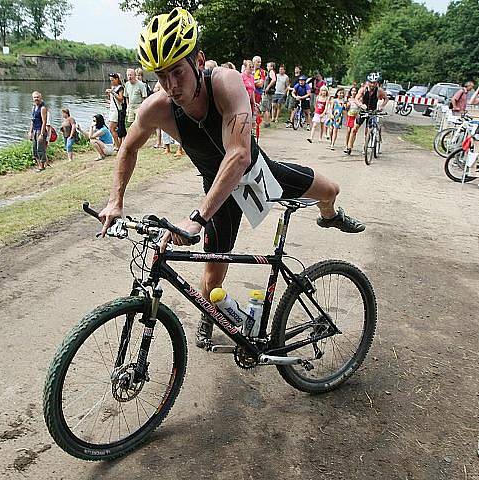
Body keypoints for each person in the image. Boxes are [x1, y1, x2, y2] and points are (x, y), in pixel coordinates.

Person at [100, 8, 366, 348]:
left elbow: (239, 155)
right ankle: (212, 320)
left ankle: (329, 217)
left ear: (198, 59)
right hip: (218, 188)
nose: (171, 85)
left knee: (331, 189)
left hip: (257, 173)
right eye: (161, 75)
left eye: (177, 72)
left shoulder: (224, 83)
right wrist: (115, 200)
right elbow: (128, 148)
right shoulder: (157, 107)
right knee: (212, 275)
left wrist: (196, 218)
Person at [345, 72, 388, 155]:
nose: (372, 84)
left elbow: (386, 99)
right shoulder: (363, 89)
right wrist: (361, 105)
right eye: (371, 82)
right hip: (363, 111)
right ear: (367, 82)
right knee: (354, 129)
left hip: (373, 112)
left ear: (377, 83)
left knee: (367, 131)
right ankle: (349, 147)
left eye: (374, 83)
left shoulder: (379, 90)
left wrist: (382, 106)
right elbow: (356, 99)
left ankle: (365, 147)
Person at [29, 91, 48, 172]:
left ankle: (42, 166)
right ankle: (39, 165)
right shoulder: (33, 107)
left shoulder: (43, 108)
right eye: (34, 97)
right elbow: (32, 120)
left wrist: (42, 134)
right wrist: (30, 131)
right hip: (35, 130)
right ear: (32, 98)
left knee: (40, 149)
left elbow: (44, 122)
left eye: (37, 97)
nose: (36, 99)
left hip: (40, 130)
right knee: (34, 150)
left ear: (40, 98)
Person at [106, 72, 125, 148]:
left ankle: (118, 145)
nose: (112, 82)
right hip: (112, 109)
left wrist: (113, 92)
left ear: (117, 79)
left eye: (113, 80)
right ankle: (117, 144)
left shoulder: (120, 88)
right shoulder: (113, 87)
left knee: (111, 128)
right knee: (113, 128)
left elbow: (121, 99)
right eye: (110, 80)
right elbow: (113, 100)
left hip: (117, 111)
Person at [343, 86, 361, 152]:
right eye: (352, 91)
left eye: (355, 91)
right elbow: (345, 109)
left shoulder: (359, 99)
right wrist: (347, 105)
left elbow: (361, 107)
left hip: (356, 117)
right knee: (348, 131)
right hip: (350, 116)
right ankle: (346, 145)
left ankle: (351, 145)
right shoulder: (348, 99)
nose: (353, 92)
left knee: (354, 131)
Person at [262, 61, 277, 125]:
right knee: (267, 107)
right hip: (269, 92)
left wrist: (267, 87)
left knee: (265, 108)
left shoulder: (271, 72)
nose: (267, 67)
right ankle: (267, 122)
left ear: (271, 67)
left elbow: (274, 79)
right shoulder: (270, 72)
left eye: (268, 66)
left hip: (268, 92)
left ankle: (267, 122)